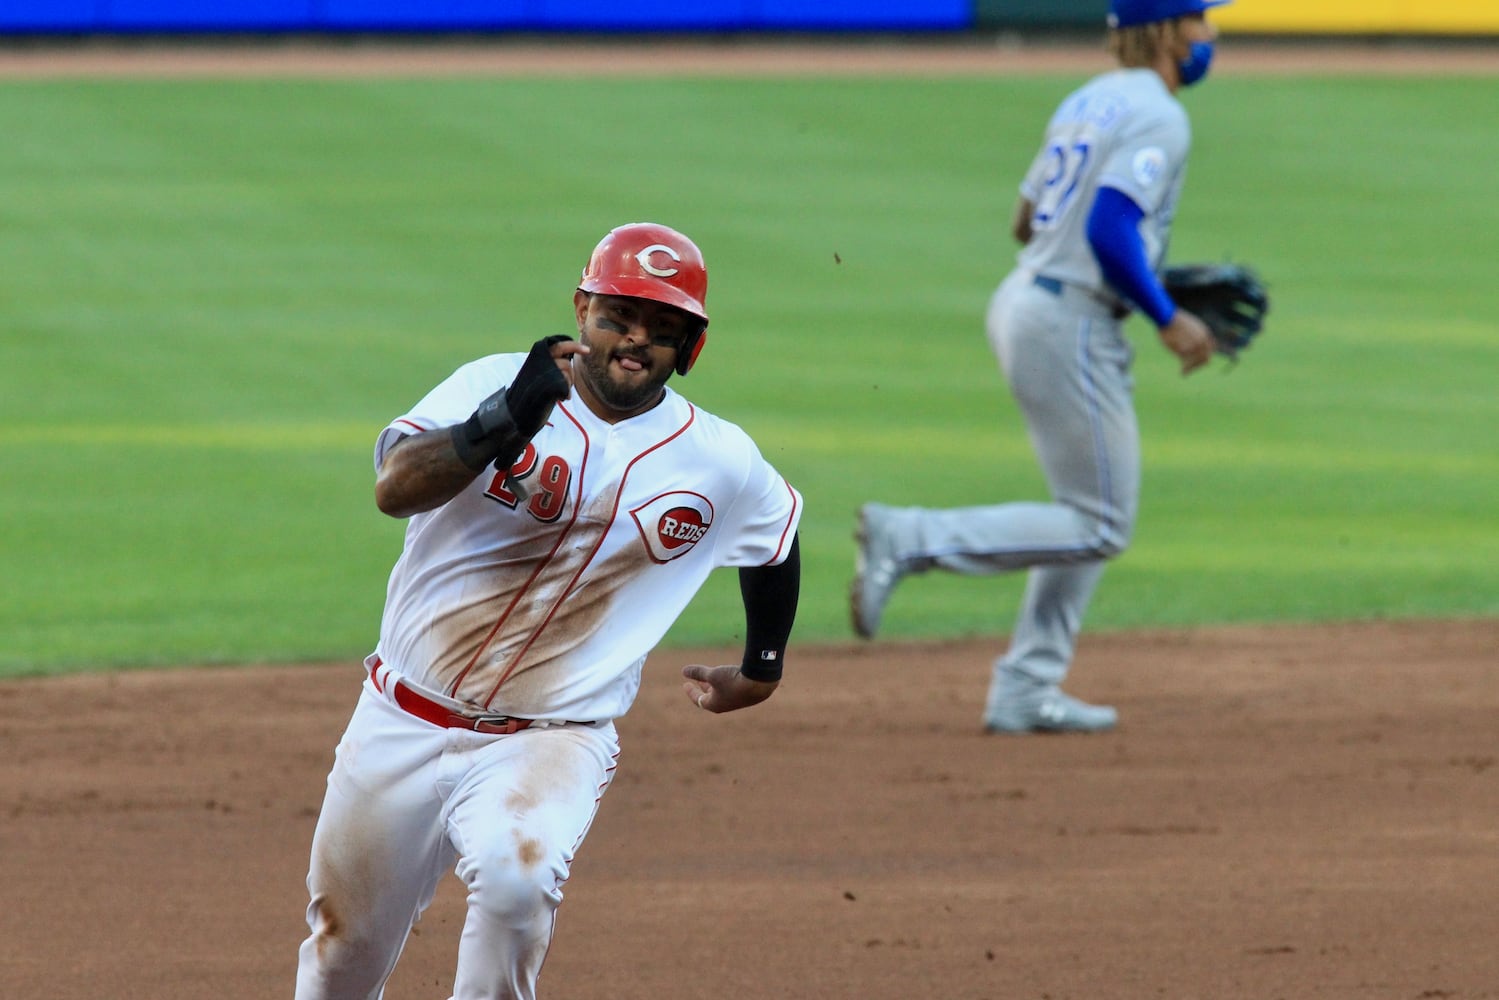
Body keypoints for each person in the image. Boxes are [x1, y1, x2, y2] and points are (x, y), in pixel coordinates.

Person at [295, 222, 803, 999]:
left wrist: (761, 667)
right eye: (619, 318)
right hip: (399, 718)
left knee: (515, 881)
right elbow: (394, 489)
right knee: (341, 950)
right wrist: (499, 419)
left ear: (689, 347)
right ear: (580, 310)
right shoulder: (487, 382)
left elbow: (777, 538)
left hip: (550, 739)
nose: (637, 341)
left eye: (663, 330)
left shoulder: (720, 458)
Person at [849, 0, 1229, 734]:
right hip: (1069, 321)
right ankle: (912, 537)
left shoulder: (1090, 96)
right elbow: (1109, 224)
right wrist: (1166, 315)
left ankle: (1027, 684)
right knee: (1100, 524)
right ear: (1171, 30)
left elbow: (1027, 219)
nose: (1211, 35)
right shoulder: (1159, 114)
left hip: (1032, 301)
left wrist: (1138, 275)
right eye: (1202, 21)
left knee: (1080, 508)